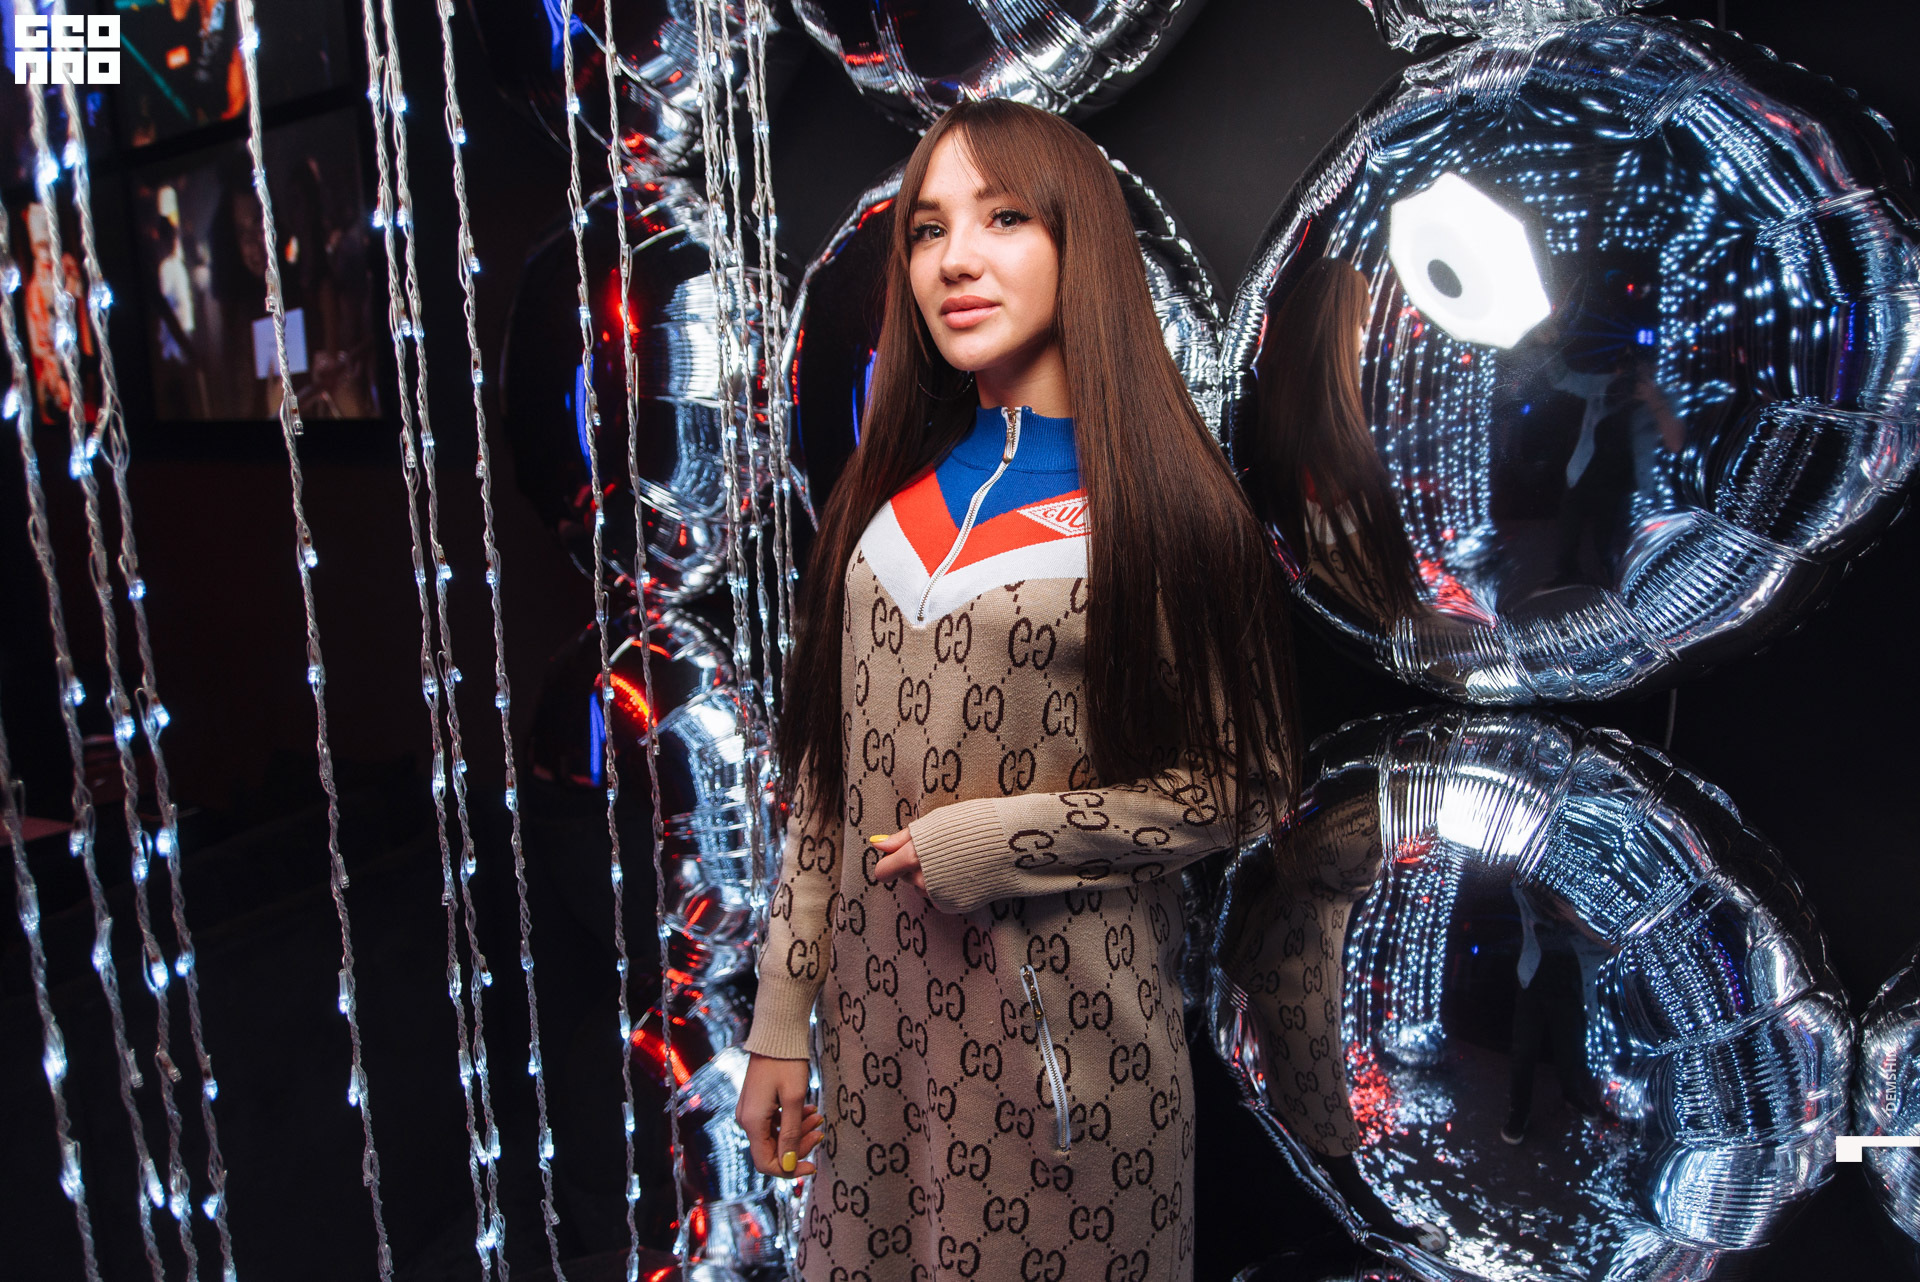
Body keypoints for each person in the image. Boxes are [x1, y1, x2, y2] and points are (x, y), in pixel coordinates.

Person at [735, 99, 1300, 1281]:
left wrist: (1004, 840)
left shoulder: (1164, 511)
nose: (956, 259)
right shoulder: (881, 509)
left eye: (1002, 218)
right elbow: (826, 783)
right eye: (928, 229)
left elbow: (1242, 784)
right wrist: (781, 1021)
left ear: (1075, 237)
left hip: (1067, 1063)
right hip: (877, 1062)